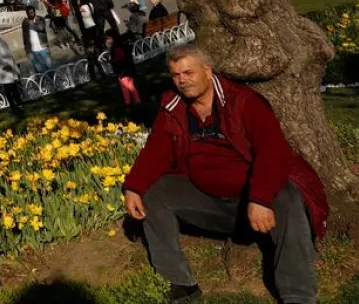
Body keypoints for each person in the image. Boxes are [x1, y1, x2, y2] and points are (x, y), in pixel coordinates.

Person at [123, 45, 327, 304]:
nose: (182, 81)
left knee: (287, 198)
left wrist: (261, 198)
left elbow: (273, 151)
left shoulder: (243, 101)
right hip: (207, 200)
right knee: (153, 193)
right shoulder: (173, 106)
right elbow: (156, 151)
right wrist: (134, 186)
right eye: (175, 75)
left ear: (207, 71)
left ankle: (298, 295)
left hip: (252, 202)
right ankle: (180, 284)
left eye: (188, 72)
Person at [105, 32, 141, 111]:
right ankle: (137, 101)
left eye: (108, 38)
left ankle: (128, 104)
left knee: (125, 88)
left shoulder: (116, 48)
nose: (107, 41)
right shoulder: (123, 46)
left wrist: (112, 61)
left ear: (113, 38)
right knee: (131, 87)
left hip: (122, 71)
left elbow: (120, 59)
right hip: (129, 70)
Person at [22, 7, 52, 74]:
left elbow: (41, 28)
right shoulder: (25, 22)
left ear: (34, 12)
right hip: (33, 50)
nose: (31, 14)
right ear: (26, 14)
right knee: (39, 70)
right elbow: (24, 36)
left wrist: (31, 23)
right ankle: (44, 83)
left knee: (49, 67)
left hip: (43, 47)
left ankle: (54, 82)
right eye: (29, 13)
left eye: (32, 12)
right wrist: (27, 51)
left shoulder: (40, 19)